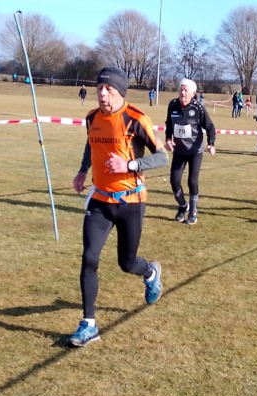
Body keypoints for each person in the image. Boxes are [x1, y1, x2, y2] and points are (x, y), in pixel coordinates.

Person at [68, 66, 168, 347]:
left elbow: (162, 157)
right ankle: (89, 325)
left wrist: (129, 165)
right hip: (100, 200)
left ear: (120, 92)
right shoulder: (92, 118)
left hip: (131, 201)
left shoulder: (136, 119)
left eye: (109, 89)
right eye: (99, 88)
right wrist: (82, 171)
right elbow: (91, 144)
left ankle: (150, 272)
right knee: (89, 258)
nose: (102, 94)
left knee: (126, 262)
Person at [165, 78, 216, 225]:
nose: (182, 92)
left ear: (193, 94)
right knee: (174, 181)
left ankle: (193, 213)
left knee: (192, 181)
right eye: (181, 89)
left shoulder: (198, 108)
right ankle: (183, 206)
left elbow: (210, 127)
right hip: (179, 151)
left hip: (195, 151)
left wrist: (211, 144)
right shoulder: (172, 105)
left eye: (185, 90)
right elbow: (169, 124)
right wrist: (168, 139)